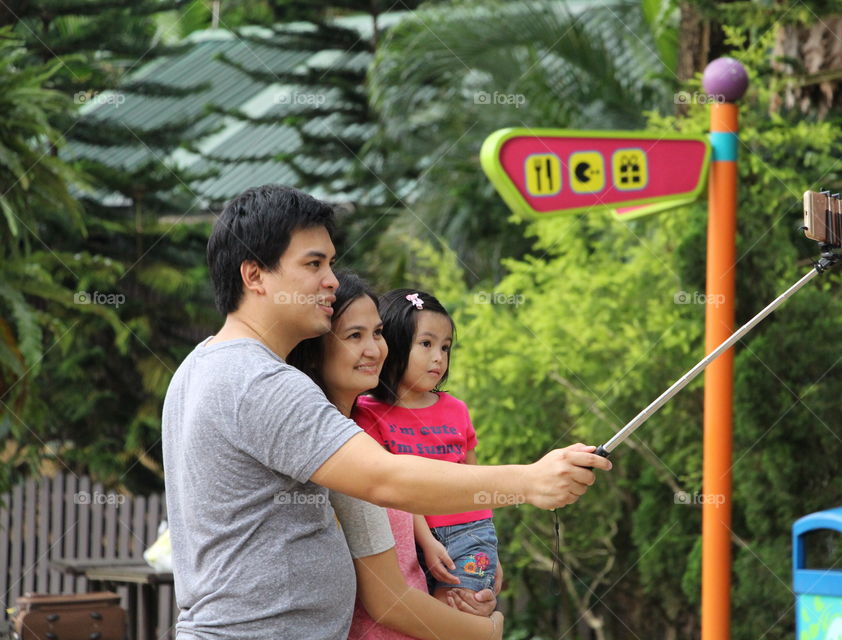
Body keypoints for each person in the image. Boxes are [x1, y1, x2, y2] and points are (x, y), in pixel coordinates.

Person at [161, 184, 612, 639]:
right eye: (314, 263)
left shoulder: (202, 363)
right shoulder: (260, 382)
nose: (331, 280)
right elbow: (386, 479)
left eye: (330, 263)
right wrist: (530, 482)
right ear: (255, 275)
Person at [287, 270, 500, 640]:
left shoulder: (447, 411)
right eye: (355, 335)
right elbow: (389, 600)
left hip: (457, 554)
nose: (374, 349)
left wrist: (487, 549)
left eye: (378, 334)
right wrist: (488, 631)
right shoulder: (349, 434)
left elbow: (471, 479)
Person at [355, 289, 499, 607]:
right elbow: (394, 489)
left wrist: (491, 549)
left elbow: (477, 480)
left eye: (445, 347)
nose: (438, 357)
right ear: (393, 344)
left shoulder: (456, 409)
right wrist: (425, 541)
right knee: (421, 619)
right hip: (409, 535)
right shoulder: (367, 411)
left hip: (468, 531)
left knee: (462, 612)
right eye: (426, 344)